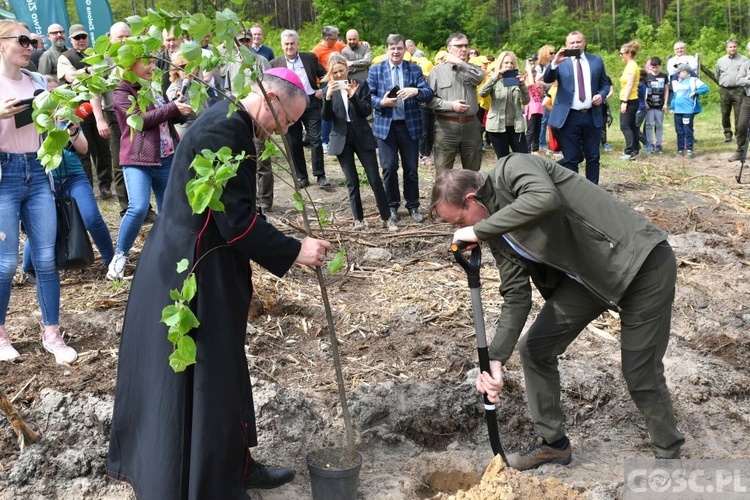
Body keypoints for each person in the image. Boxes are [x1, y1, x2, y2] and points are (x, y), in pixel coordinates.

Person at [107, 67, 330, 499]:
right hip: (193, 268)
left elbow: (237, 209)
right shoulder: (226, 130)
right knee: (206, 371)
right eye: (286, 121)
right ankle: (208, 482)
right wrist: (292, 250)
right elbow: (236, 222)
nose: (284, 131)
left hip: (205, 258)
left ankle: (233, 464)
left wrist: (283, 243)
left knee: (224, 368)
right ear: (271, 99)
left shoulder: (231, 120)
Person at [430, 156, 685, 470]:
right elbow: (516, 296)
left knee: (640, 372)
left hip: (641, 264)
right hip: (590, 281)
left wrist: (479, 230)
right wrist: (495, 359)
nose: (461, 230)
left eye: (458, 222)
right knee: (535, 348)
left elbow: (544, 198)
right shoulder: (496, 233)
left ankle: (669, 455)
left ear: (471, 200)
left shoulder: (512, 169)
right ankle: (553, 443)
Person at [0, 20, 76, 364]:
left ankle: (52, 333)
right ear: (2, 44)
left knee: (45, 259)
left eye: (33, 39)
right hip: (4, 175)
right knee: (5, 264)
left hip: (37, 169)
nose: (31, 45)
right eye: (23, 40)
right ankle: (1, 335)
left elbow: (54, 124)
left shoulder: (37, 82)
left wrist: (65, 123)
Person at [107, 57, 193, 280]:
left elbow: (163, 120)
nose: (153, 68)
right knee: (138, 207)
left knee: (168, 212)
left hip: (166, 157)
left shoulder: (153, 87)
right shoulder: (122, 91)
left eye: (154, 63)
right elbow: (140, 121)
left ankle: (165, 258)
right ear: (130, 65)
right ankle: (120, 257)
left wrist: (176, 108)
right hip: (138, 160)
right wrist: (171, 108)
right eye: (148, 63)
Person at [22, 105, 115, 276]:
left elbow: (84, 149)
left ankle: (112, 261)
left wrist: (72, 130)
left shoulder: (67, 120)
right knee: (42, 225)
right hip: (43, 181)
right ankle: (29, 270)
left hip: (73, 177)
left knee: (91, 218)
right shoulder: (33, 123)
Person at [367, 33, 433, 229]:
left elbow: (428, 93)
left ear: (405, 49)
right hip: (386, 127)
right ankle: (392, 206)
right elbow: (366, 97)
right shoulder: (376, 70)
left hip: (409, 125)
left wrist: (416, 91)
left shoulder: (414, 69)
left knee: (411, 169)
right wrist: (382, 102)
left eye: (399, 48)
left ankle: (413, 206)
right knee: (389, 168)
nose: (396, 51)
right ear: (386, 49)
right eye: (392, 48)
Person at [322, 54, 390, 230]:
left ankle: (387, 217)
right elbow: (326, 117)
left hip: (361, 135)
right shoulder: (327, 88)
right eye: (334, 72)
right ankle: (358, 219)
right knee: (352, 181)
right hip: (341, 138)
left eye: (341, 71)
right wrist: (328, 97)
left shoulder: (360, 84)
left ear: (347, 68)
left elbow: (366, 111)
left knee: (374, 178)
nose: (338, 75)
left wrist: (353, 96)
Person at [543, 30, 610, 185]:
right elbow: (547, 79)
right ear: (566, 45)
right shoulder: (561, 63)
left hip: (591, 115)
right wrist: (554, 63)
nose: (575, 45)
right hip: (569, 117)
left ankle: (593, 189)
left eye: (578, 42)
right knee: (572, 158)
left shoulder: (596, 61)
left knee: (593, 156)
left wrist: (602, 95)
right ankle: (575, 191)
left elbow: (605, 84)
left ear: (584, 43)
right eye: (572, 43)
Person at [57, 24, 114, 199]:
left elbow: (109, 73)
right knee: (83, 152)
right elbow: (69, 76)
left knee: (103, 149)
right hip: (77, 110)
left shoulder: (96, 54)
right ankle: (87, 187)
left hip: (98, 106)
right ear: (70, 39)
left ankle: (105, 187)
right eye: (77, 38)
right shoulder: (65, 57)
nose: (81, 41)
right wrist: (89, 70)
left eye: (83, 37)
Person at [270, 30, 330, 187]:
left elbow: (325, 75)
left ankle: (320, 175)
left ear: (298, 44)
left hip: (310, 102)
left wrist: (321, 91)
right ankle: (301, 176)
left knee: (315, 139)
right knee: (294, 142)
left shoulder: (309, 58)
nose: (289, 47)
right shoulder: (275, 64)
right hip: (288, 107)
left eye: (292, 43)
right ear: (282, 46)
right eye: (286, 44)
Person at [427, 32, 486, 174]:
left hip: (471, 126)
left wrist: (460, 63)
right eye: (459, 46)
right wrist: (450, 105)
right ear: (449, 48)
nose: (464, 49)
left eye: (466, 45)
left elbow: (480, 77)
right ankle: (444, 197)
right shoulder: (437, 71)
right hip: (446, 127)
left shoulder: (472, 69)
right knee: (443, 173)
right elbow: (429, 100)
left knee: (473, 172)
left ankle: (472, 196)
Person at [479, 51, 529, 158]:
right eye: (506, 63)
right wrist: (495, 77)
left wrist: (522, 85)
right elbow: (482, 93)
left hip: (516, 126)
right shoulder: (494, 79)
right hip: (497, 126)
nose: (509, 65)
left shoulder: (517, 80)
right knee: (503, 159)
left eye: (512, 63)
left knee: (524, 158)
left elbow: (525, 101)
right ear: (500, 64)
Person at [669, 63, 709, 159]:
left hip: (688, 110)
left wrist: (695, 92)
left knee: (687, 130)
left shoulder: (693, 80)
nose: (678, 74)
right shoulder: (678, 82)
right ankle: (680, 150)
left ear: (685, 72)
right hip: (678, 110)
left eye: (679, 72)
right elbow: (675, 96)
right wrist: (672, 107)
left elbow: (705, 88)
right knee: (679, 130)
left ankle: (690, 150)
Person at [715, 39, 747, 143]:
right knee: (725, 113)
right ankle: (727, 134)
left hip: (739, 90)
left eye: (734, 46)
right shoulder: (721, 61)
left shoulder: (744, 60)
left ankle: (739, 135)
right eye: (730, 47)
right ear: (726, 48)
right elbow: (717, 75)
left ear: (737, 47)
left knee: (739, 114)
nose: (732, 48)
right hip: (725, 91)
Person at [618, 41, 640, 161]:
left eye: (622, 54)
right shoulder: (630, 65)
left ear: (629, 53)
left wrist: (625, 102)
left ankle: (629, 151)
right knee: (631, 126)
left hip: (630, 100)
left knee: (625, 126)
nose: (620, 56)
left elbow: (630, 84)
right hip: (630, 99)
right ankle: (635, 148)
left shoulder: (632, 66)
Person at [730, 41, 750, 163]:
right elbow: (739, 80)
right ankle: (740, 151)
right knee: (741, 125)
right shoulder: (746, 65)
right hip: (748, 98)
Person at [644, 57, 669, 154]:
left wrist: (666, 102)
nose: (655, 69)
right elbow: (644, 91)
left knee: (659, 125)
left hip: (660, 104)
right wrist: (645, 102)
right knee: (649, 124)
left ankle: (659, 144)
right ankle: (650, 143)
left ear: (660, 65)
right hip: (649, 105)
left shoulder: (664, 76)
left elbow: (666, 90)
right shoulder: (647, 77)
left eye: (657, 67)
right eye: (653, 67)